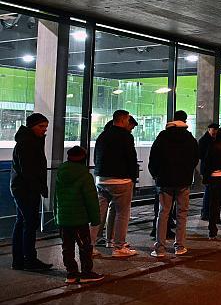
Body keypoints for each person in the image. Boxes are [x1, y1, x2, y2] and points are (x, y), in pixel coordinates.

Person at [148, 110, 200, 257]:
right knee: (182, 214)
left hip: (165, 181)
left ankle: (159, 249)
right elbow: (195, 159)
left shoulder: (163, 137)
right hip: (183, 181)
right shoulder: (190, 139)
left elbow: (154, 158)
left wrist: (156, 175)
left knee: (163, 213)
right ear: (185, 121)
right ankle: (180, 246)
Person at [91, 110, 139, 258]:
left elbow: (95, 157)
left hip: (102, 179)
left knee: (98, 214)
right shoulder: (126, 137)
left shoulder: (103, 135)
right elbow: (131, 158)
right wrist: (133, 178)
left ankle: (89, 245)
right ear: (124, 120)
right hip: (121, 180)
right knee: (122, 214)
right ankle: (118, 247)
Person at [54, 146, 103, 283]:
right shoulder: (85, 175)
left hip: (64, 218)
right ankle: (86, 273)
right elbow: (91, 199)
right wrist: (95, 219)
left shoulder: (61, 172)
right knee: (85, 247)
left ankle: (71, 273)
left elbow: (56, 197)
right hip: (79, 219)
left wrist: (56, 215)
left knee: (67, 247)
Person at [10, 113, 52, 271]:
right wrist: (38, 187)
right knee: (29, 224)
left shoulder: (28, 141)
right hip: (27, 189)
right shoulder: (28, 143)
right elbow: (29, 170)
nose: (44, 130)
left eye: (45, 127)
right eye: (41, 127)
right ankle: (29, 259)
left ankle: (20, 260)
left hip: (22, 188)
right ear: (32, 126)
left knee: (22, 222)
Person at [198, 123, 219, 221]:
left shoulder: (214, 140)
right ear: (209, 129)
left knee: (211, 191)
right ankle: (205, 212)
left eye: (216, 129)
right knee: (209, 191)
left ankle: (207, 212)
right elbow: (201, 155)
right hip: (207, 169)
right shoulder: (204, 140)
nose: (215, 131)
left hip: (212, 169)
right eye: (213, 129)